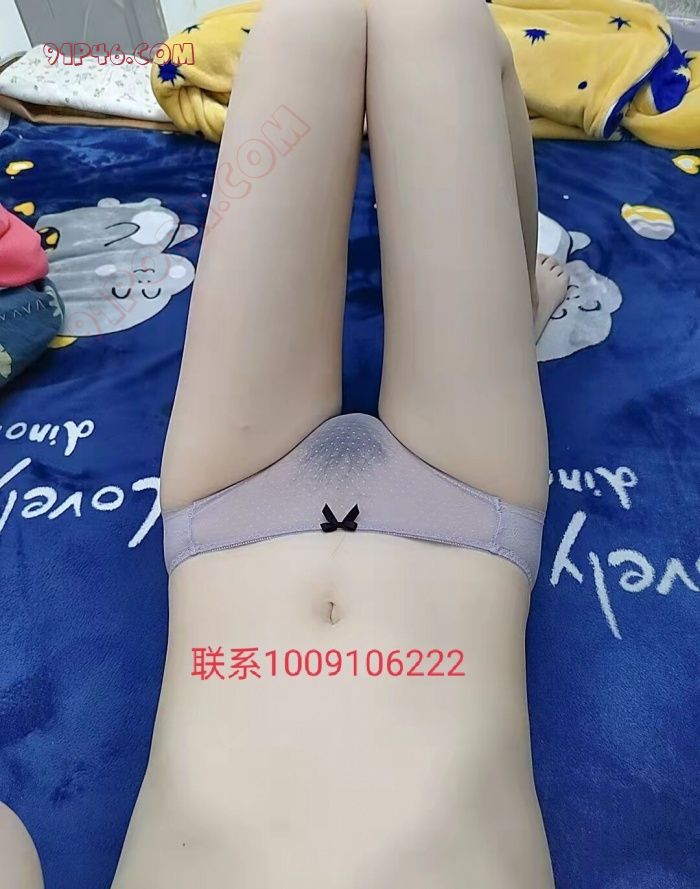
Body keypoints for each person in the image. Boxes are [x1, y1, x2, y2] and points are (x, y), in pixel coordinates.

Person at [4, 0, 569, 886]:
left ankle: (508, 306)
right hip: (466, 522)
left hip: (232, 515)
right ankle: (511, 313)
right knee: (438, 24)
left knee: (307, 27)